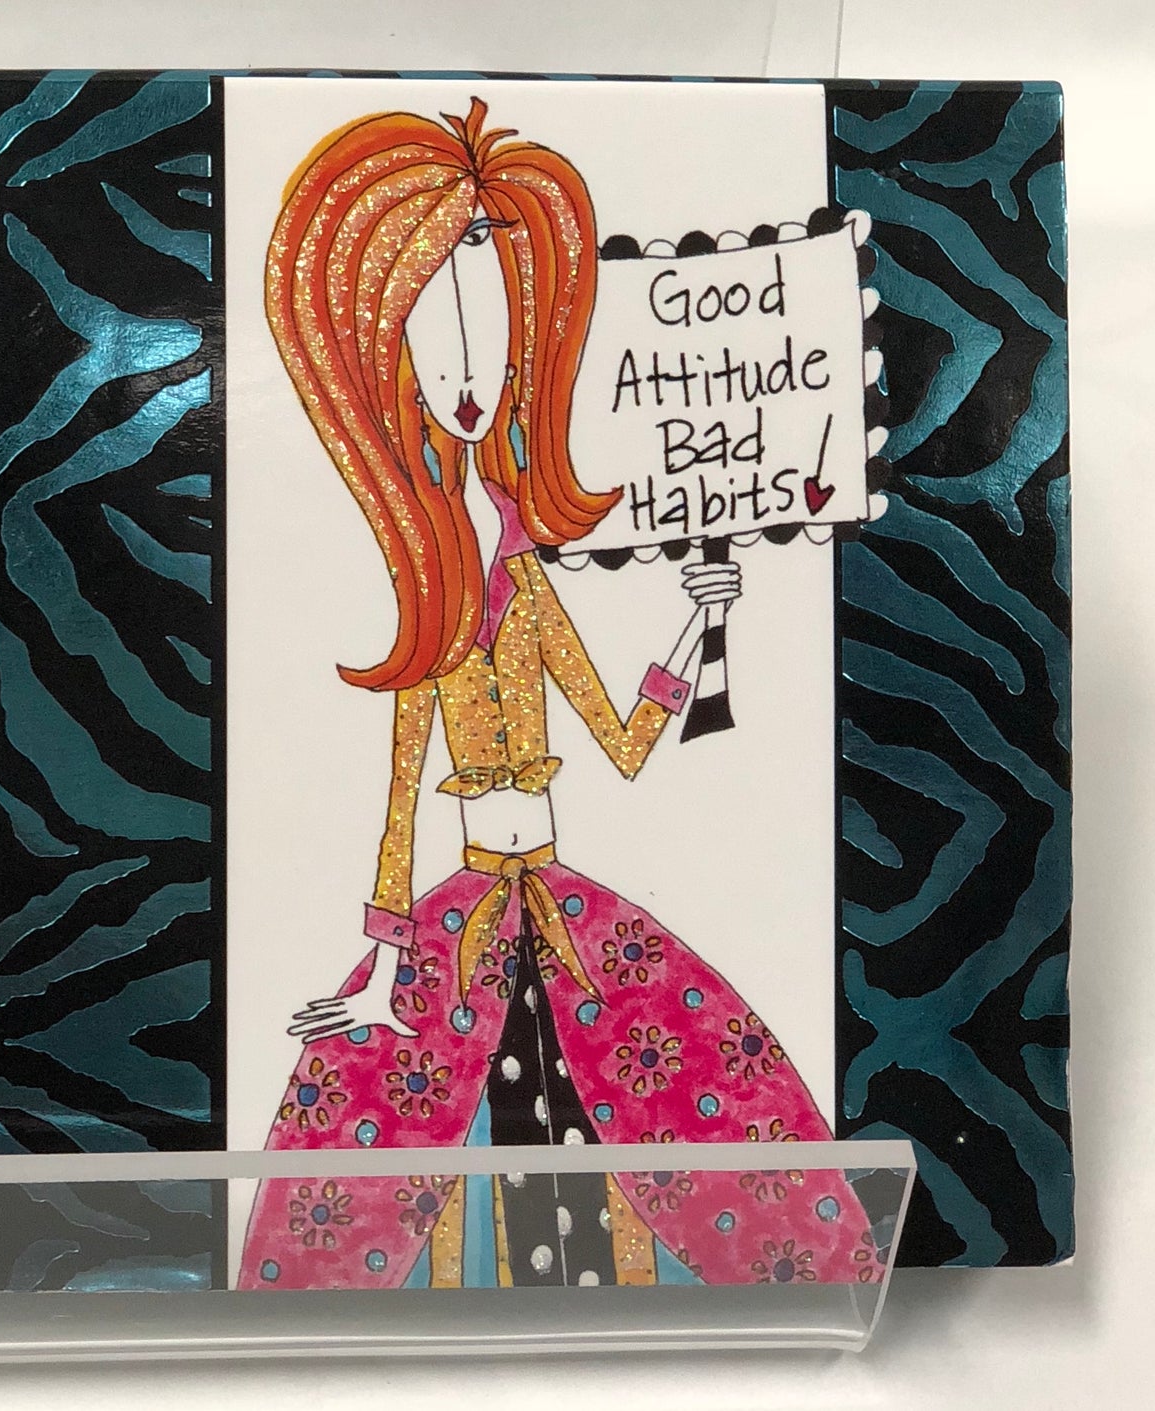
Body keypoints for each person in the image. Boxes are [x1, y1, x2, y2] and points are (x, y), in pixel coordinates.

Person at [238, 98, 881, 1290]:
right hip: (456, 930)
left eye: (491, 356)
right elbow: (399, 798)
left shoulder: (523, 577)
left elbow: (621, 744)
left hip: (569, 918)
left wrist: (700, 619)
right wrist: (377, 963)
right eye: (439, 355)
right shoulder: (427, 584)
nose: (468, 386)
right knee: (399, 1142)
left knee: (677, 1091)